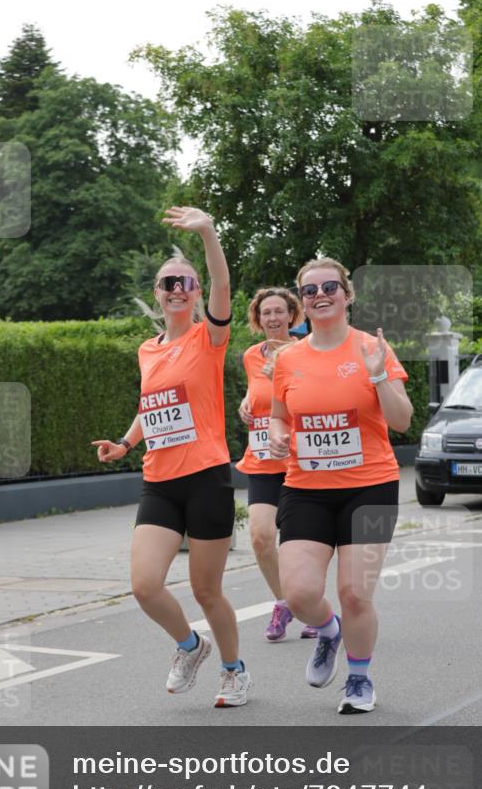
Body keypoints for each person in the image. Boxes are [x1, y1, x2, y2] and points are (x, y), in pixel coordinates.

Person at [92, 206, 251, 708]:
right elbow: (153, 405)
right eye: (168, 282)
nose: (177, 288)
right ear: (158, 294)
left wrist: (208, 231)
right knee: (144, 585)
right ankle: (190, 646)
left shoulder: (210, 337)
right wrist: (125, 443)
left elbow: (224, 284)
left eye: (185, 281)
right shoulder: (147, 349)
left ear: (196, 292)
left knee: (207, 590)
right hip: (159, 481)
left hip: (206, 478)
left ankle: (234, 671)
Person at [269, 257, 413, 713]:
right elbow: (278, 415)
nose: (320, 295)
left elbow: (403, 421)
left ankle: (359, 679)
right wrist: (275, 435)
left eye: (330, 287)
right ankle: (329, 632)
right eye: (310, 291)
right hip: (305, 487)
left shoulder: (373, 348)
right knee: (299, 593)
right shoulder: (288, 358)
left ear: (347, 295)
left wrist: (376, 374)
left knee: (355, 593)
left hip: (369, 486)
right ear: (302, 303)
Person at [237, 288, 319, 641]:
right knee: (260, 537)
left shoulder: (306, 352)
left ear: (291, 316)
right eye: (265, 313)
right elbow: (259, 395)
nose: (272, 318)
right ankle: (284, 602)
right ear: (258, 319)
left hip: (298, 462)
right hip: (261, 460)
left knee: (299, 544)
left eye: (278, 312)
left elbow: (313, 399)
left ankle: (313, 610)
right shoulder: (251, 356)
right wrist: (246, 401)